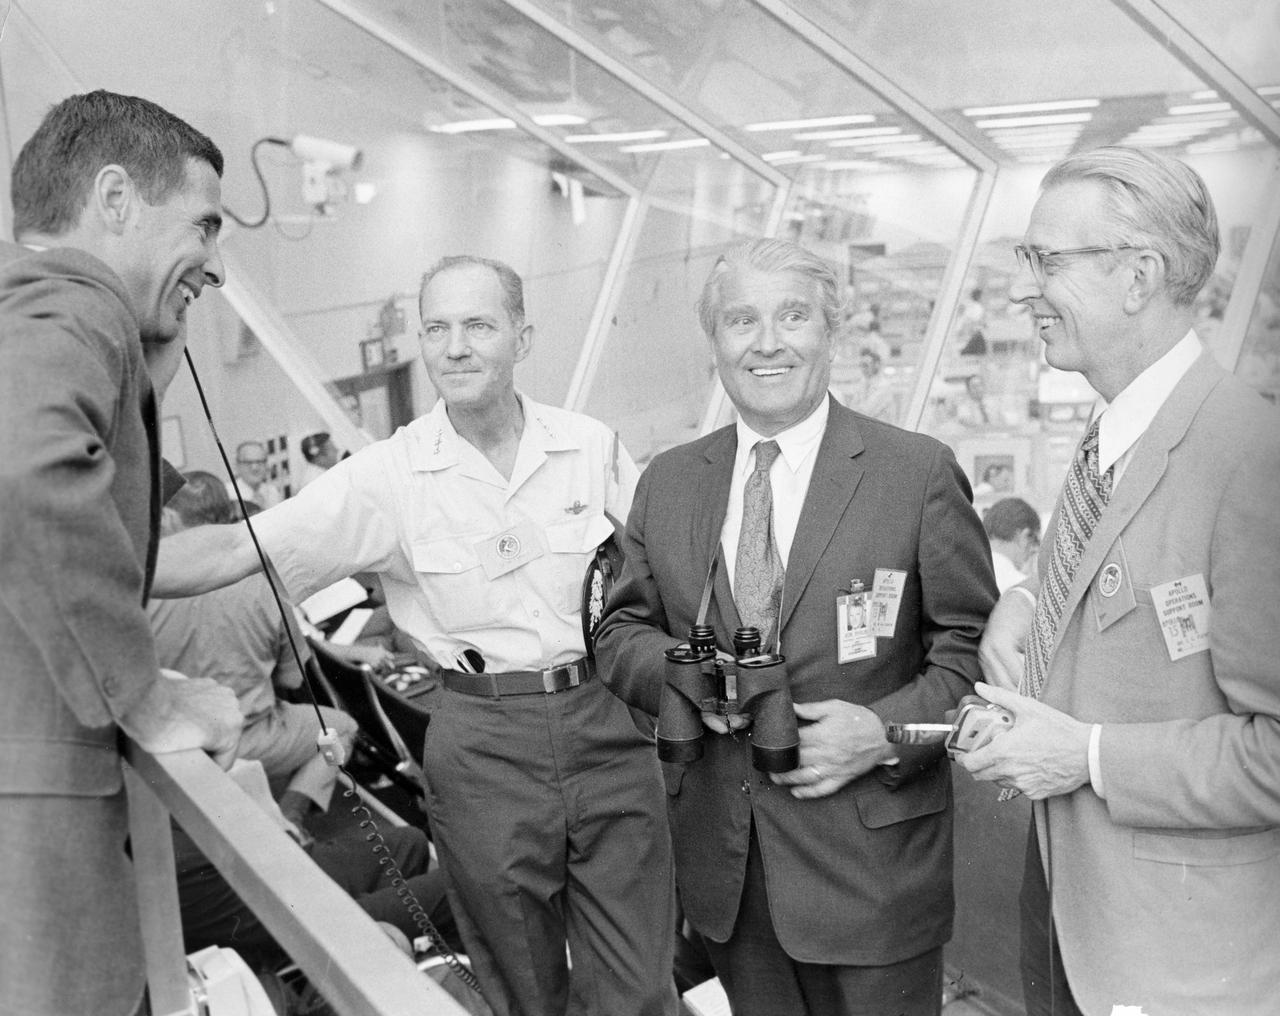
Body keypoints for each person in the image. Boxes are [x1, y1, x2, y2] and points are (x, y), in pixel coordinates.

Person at [154, 255, 677, 1016]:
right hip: (482, 744)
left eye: (477, 325)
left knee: (640, 983)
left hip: (607, 720)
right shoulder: (388, 477)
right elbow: (239, 549)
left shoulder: (590, 447)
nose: (454, 347)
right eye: (436, 328)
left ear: (521, 337)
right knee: (522, 984)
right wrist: (79, 559)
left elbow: (663, 576)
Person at [595, 238, 997, 1016]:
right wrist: (685, 682)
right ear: (715, 343)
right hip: (730, 876)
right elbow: (620, 632)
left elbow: (971, 652)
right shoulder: (671, 481)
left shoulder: (915, 473)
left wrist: (883, 733)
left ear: (832, 333)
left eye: (793, 316)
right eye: (742, 320)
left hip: (874, 875)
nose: (768, 341)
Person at [957, 147, 1280, 1016]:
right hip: (1071, 918)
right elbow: (1112, 573)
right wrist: (1026, 598)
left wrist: (1087, 755)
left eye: (1047, 261)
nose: (1024, 289)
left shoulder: (1250, 460)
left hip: (1181, 962)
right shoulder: (1111, 438)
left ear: (1138, 275)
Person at [0, 90, 243, 1016]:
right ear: (113, 199)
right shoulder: (73, 306)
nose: (214, 266)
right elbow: (25, 467)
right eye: (203, 228)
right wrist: (142, 694)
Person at [150, 471, 358, 828]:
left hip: (170, 744)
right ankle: (290, 819)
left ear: (168, 518)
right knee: (342, 728)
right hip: (250, 738)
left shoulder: (139, 588)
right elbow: (292, 679)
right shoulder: (263, 590)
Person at [981, 497, 1041, 593]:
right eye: (1036, 541)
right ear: (1024, 536)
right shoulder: (1023, 589)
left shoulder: (962, 574)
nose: (1035, 550)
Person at [228, 439, 284, 508]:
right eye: (248, 462)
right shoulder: (228, 495)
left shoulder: (273, 492)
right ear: (237, 465)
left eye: (259, 462)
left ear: (266, 464)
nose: (255, 468)